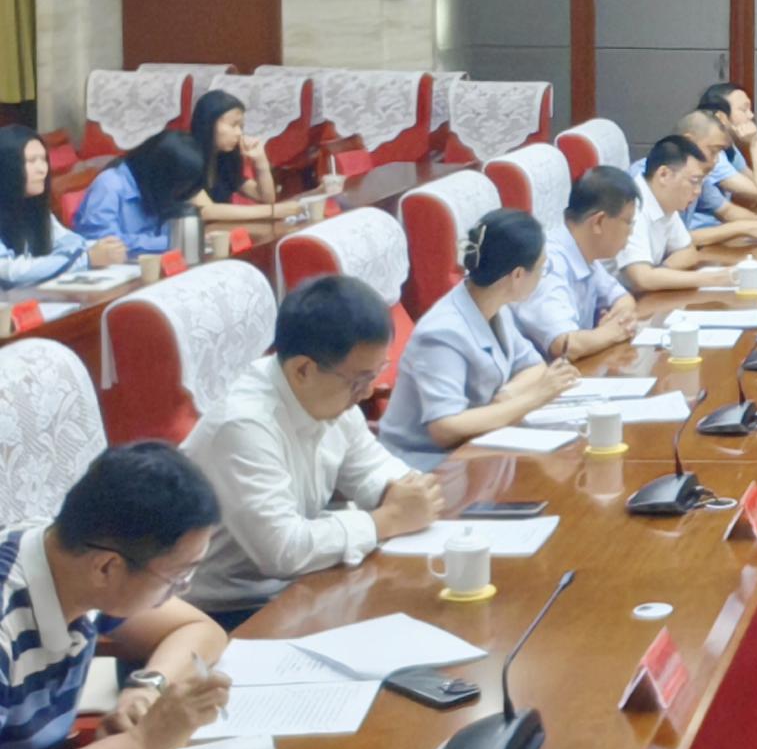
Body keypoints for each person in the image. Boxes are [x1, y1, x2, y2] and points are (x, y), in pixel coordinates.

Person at [181, 275, 442, 628]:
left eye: (376, 374)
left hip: (301, 587)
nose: (367, 392)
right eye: (359, 380)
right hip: (225, 614)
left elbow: (372, 470)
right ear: (302, 369)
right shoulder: (243, 425)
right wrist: (389, 518)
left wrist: (405, 492)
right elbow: (283, 550)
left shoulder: (332, 399)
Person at [0, 442, 232, 749]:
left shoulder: (68, 562)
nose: (183, 590)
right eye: (177, 576)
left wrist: (146, 688)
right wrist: (139, 745)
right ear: (107, 568)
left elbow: (200, 630)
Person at [380, 209, 580, 468]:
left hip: (480, 450)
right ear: (518, 275)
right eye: (542, 268)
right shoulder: (442, 332)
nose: (543, 275)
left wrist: (505, 397)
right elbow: (445, 428)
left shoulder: (495, 306)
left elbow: (534, 367)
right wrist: (533, 398)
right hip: (426, 466)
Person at [515, 165, 642, 360]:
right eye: (628, 222)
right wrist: (615, 331)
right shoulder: (548, 263)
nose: (631, 232)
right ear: (598, 222)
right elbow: (565, 345)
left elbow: (623, 299)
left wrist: (620, 317)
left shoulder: (583, 251)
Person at [616, 135, 747, 293]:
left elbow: (688, 251)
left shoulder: (665, 201)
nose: (698, 191)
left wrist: (661, 272)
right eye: (694, 181)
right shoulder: (632, 205)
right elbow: (642, 279)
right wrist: (714, 279)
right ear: (664, 175)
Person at [0, 125, 124, 290]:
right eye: (31, 161)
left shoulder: (32, 207)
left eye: (43, 159)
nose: (42, 170)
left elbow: (70, 241)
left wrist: (102, 247)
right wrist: (86, 259)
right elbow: (12, 273)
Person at [635, 110, 757, 234]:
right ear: (689, 141)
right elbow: (679, 241)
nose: (716, 160)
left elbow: (726, 211)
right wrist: (744, 228)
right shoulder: (643, 178)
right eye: (713, 151)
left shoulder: (699, 178)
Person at [72, 131, 207, 258]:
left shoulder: (155, 188)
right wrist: (172, 242)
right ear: (162, 175)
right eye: (178, 186)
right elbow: (105, 244)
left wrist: (192, 238)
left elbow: (169, 230)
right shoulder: (109, 185)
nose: (178, 193)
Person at [185, 91, 301, 224]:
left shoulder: (224, 158)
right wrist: (272, 211)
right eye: (233, 125)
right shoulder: (185, 158)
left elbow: (266, 198)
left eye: (241, 127)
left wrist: (261, 162)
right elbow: (207, 211)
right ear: (208, 123)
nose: (239, 133)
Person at [697, 82, 757, 203]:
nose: (751, 115)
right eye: (744, 109)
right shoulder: (710, 154)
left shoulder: (728, 147)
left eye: (750, 109)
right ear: (721, 117)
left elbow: (752, 179)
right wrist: (755, 143)